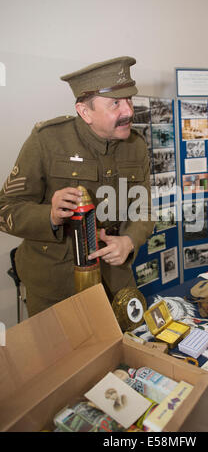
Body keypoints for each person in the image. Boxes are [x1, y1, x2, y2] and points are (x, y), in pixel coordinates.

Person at [0, 56, 154, 316]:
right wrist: (48, 215)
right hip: (56, 286)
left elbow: (144, 210)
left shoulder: (135, 145)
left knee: (122, 353)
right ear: (85, 112)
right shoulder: (47, 141)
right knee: (65, 356)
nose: (128, 111)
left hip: (115, 282)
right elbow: (5, 210)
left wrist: (129, 241)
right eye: (115, 103)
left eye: (129, 100)